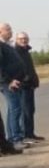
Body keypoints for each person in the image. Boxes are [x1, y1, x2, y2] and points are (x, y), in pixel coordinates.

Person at [0, 23, 24, 155]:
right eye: (7, 29)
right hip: (7, 83)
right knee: (15, 108)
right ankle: (15, 139)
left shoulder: (6, 44)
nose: (10, 31)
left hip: (14, 81)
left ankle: (10, 141)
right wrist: (9, 80)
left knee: (13, 109)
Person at [13, 32, 41, 143]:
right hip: (23, 85)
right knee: (25, 111)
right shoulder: (16, 52)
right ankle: (25, 135)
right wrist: (24, 79)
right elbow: (18, 69)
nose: (23, 40)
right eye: (21, 39)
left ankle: (30, 133)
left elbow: (30, 68)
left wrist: (34, 80)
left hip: (30, 85)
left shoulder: (26, 52)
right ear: (16, 40)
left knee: (30, 110)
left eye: (25, 38)